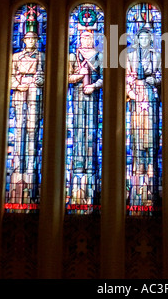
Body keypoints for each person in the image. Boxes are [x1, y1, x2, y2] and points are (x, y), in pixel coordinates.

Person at [126, 27, 162, 209]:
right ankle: (138, 164)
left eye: (148, 37)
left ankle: (150, 165)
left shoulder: (156, 55)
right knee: (137, 131)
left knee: (151, 130)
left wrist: (154, 81)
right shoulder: (129, 56)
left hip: (150, 95)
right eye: (141, 37)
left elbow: (162, 76)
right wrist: (130, 91)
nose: (144, 40)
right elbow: (124, 77)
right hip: (136, 97)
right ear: (137, 39)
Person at [68, 30, 103, 205]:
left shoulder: (100, 56)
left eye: (89, 37)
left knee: (92, 131)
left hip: (93, 95)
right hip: (78, 94)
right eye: (83, 37)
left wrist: (95, 85)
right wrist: (79, 76)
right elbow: (66, 76)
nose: (86, 40)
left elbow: (105, 78)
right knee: (78, 131)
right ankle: (78, 169)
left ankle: (91, 169)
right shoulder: (73, 56)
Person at [10, 30, 45, 202]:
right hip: (19, 94)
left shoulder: (42, 56)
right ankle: (18, 167)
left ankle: (31, 168)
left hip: (35, 94)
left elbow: (45, 76)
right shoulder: (15, 57)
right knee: (19, 130)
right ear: (24, 41)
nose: (31, 42)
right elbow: (9, 76)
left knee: (33, 130)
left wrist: (36, 81)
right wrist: (18, 84)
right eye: (28, 39)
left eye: (33, 39)